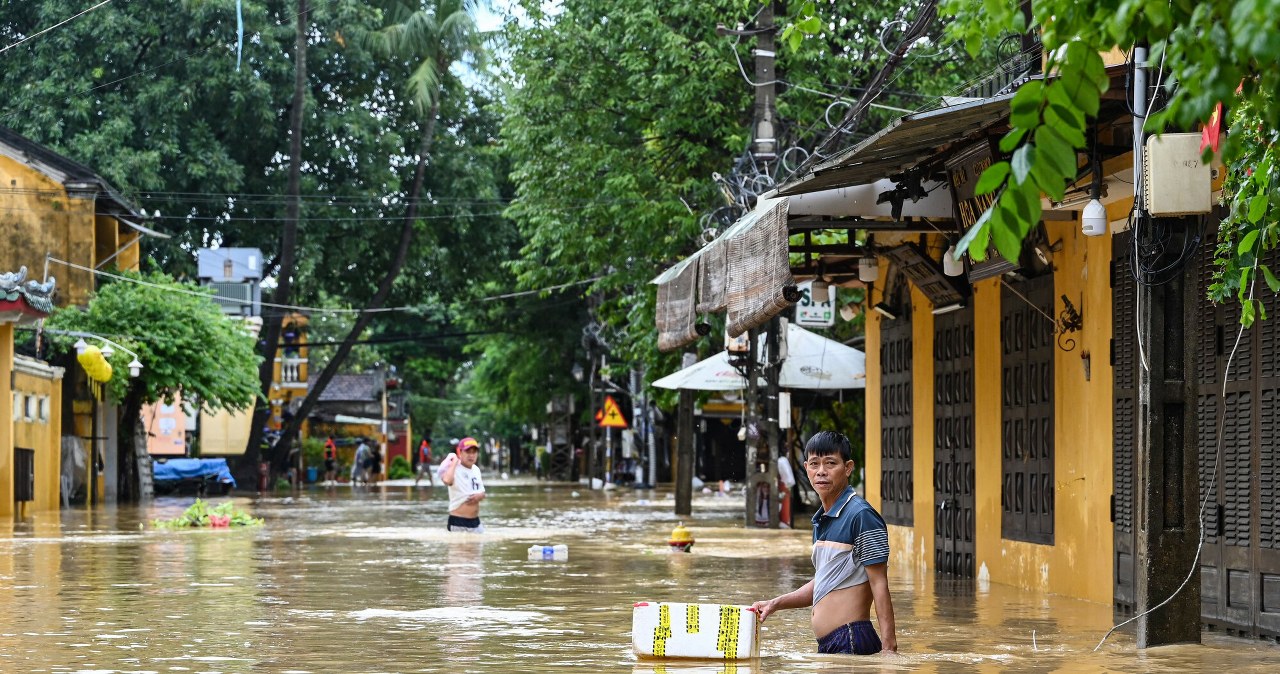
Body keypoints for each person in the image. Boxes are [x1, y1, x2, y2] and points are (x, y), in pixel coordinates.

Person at [751, 431, 896, 656]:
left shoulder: (861, 515)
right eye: (814, 464)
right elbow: (823, 584)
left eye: (830, 463)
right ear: (806, 467)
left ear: (848, 468)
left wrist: (889, 650)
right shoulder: (821, 520)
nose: (821, 471)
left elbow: (880, 584)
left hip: (850, 639)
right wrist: (775, 603)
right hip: (833, 644)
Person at [439, 436, 486, 533]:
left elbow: (482, 491)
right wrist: (455, 462)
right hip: (458, 522)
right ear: (460, 452)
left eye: (474, 452)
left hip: (476, 522)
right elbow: (447, 480)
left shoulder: (476, 469)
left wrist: (480, 496)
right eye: (468, 452)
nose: (471, 455)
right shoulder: (454, 467)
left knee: (478, 547)